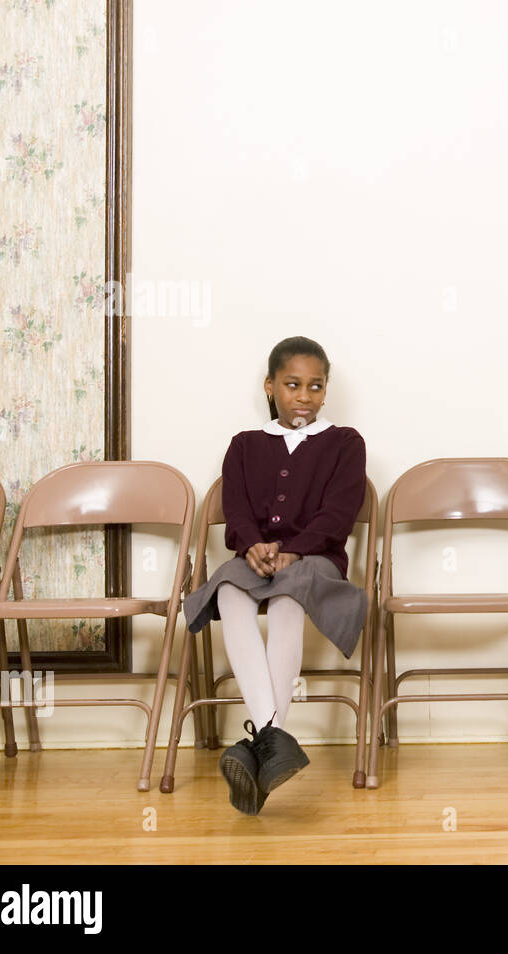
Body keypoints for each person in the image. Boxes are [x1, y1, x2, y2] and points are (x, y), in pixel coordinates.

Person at [183, 336, 368, 815]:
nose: (303, 395)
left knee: (288, 599)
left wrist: (295, 549)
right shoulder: (244, 446)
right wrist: (252, 546)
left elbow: (338, 513)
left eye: (315, 386)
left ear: (325, 392)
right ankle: (272, 741)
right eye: (292, 384)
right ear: (270, 386)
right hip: (253, 559)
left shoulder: (345, 443)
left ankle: (261, 741)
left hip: (316, 562)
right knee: (227, 588)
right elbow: (237, 508)